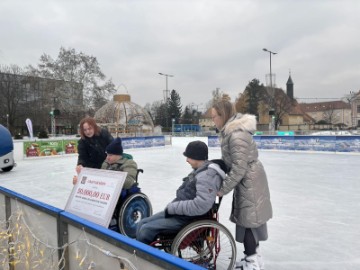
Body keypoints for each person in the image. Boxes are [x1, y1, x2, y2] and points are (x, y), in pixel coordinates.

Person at [211, 100, 272, 270]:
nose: (213, 120)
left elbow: (238, 167)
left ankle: (252, 263)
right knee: (249, 221)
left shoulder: (236, 135)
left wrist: (222, 190)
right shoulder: (230, 132)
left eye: (214, 117)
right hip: (248, 179)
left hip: (249, 180)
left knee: (248, 222)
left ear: (223, 116)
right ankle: (253, 258)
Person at [135, 140, 226, 244]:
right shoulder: (200, 170)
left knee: (146, 229)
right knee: (142, 223)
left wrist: (173, 208)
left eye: (189, 157)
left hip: (187, 219)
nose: (186, 160)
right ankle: (139, 251)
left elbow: (201, 205)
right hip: (181, 213)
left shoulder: (207, 177)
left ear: (197, 157)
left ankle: (146, 257)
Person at [73, 137, 138, 190]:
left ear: (118, 155)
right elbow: (99, 178)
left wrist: (108, 179)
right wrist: (80, 180)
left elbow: (128, 182)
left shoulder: (129, 163)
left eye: (110, 155)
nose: (107, 158)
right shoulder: (106, 163)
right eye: (107, 155)